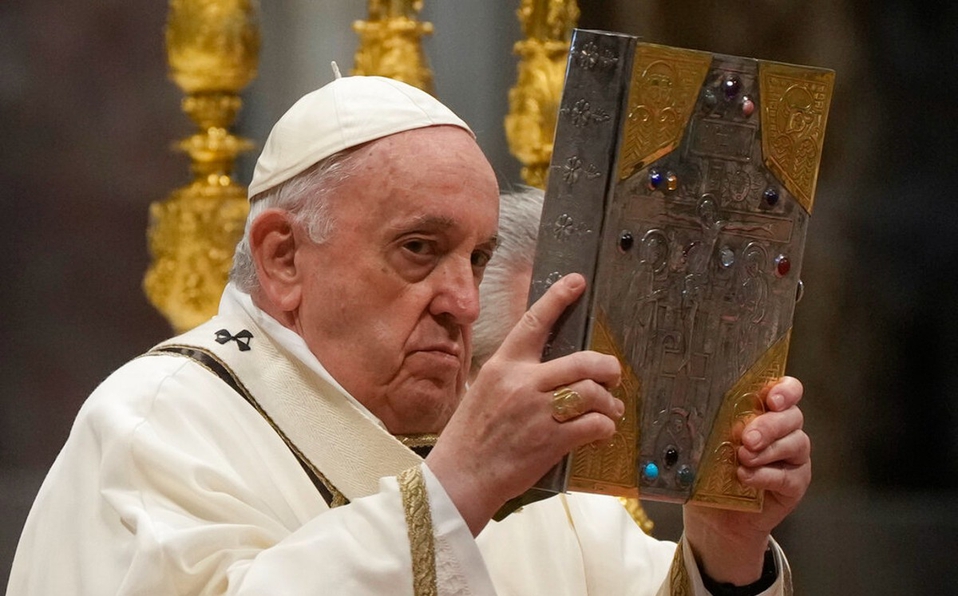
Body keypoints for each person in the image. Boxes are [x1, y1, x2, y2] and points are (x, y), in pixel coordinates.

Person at [8, 75, 810, 595]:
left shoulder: (523, 470)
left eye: (479, 258)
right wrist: (459, 489)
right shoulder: (158, 428)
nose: (463, 300)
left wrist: (724, 552)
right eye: (419, 249)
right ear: (283, 258)